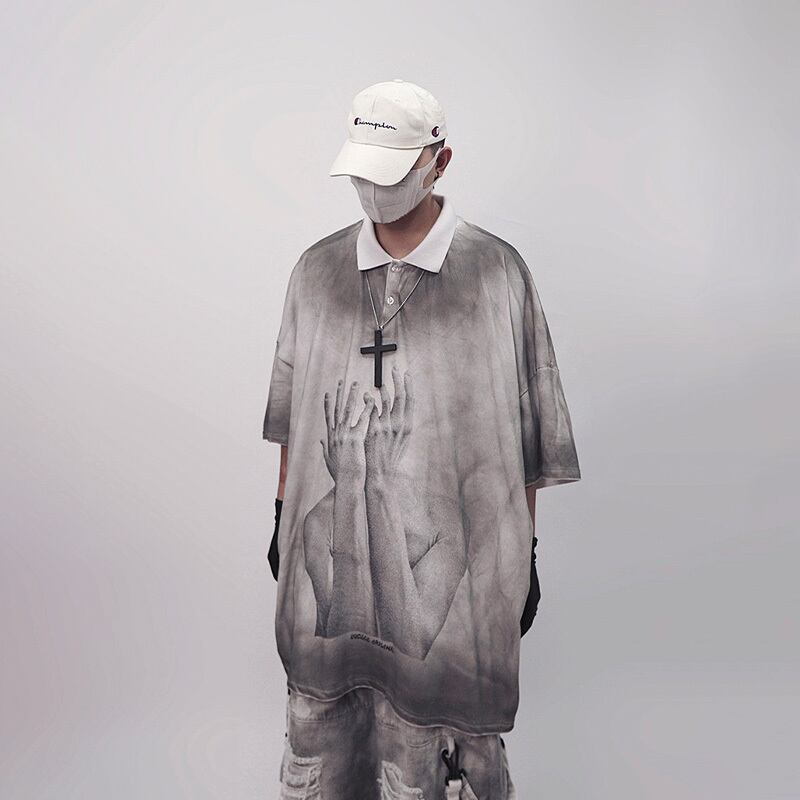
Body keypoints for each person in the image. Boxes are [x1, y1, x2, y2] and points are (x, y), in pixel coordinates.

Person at [262, 78, 581, 800]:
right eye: (363, 172)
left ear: (440, 161)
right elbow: (292, 415)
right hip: (333, 563)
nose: (374, 191)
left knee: (431, 742)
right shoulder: (316, 273)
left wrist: (524, 552)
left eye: (393, 169)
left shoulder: (494, 275)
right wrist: (282, 514)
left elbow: (527, 436)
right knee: (333, 725)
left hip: (451, 574)